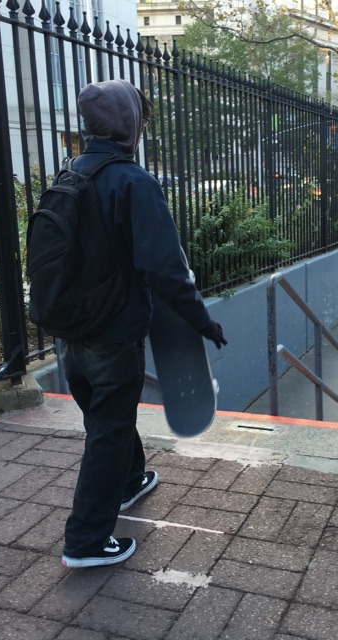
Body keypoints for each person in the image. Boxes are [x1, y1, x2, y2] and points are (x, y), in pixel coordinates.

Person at [60, 79, 227, 568]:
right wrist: (202, 321)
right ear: (128, 124)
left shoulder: (70, 174)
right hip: (113, 331)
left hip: (71, 330)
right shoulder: (133, 182)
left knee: (106, 418)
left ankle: (130, 481)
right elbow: (166, 268)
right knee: (108, 430)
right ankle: (86, 542)